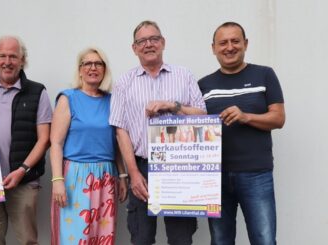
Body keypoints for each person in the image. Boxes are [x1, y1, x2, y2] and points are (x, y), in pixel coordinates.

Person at [109, 20, 207, 245]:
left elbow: (203, 116)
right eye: (142, 41)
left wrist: (173, 106)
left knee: (181, 238)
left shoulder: (184, 75)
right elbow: (120, 129)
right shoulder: (124, 83)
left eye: (154, 39)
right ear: (134, 48)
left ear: (163, 43)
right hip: (141, 166)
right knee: (141, 237)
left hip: (180, 166)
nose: (148, 44)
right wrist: (132, 173)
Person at [198, 21, 285, 245]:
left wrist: (246, 116)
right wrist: (172, 108)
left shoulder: (264, 75)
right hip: (214, 176)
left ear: (245, 44)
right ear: (213, 48)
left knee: (264, 239)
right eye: (223, 42)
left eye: (235, 41)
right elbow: (194, 120)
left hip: (256, 174)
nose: (229, 47)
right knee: (220, 240)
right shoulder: (203, 85)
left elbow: (279, 118)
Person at [0, 36, 52, 245]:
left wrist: (21, 171)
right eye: (2, 56)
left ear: (22, 60)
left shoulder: (37, 91)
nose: (7, 61)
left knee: (27, 241)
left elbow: (45, 140)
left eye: (13, 56)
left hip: (24, 180)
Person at [50, 48, 128, 244]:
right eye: (88, 63)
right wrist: (57, 180)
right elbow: (56, 143)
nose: (93, 68)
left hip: (106, 176)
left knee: (102, 237)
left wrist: (122, 175)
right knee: (76, 237)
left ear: (104, 69)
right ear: (80, 70)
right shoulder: (68, 98)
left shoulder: (112, 101)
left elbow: (116, 142)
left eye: (98, 63)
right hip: (75, 177)